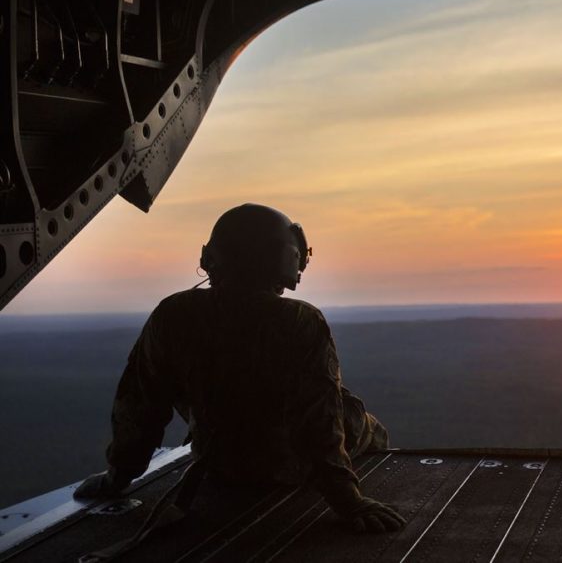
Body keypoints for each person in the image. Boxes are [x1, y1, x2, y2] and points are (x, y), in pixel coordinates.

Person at [73, 203, 404, 533]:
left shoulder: (173, 314)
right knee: (362, 420)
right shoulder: (300, 320)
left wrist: (117, 478)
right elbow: (319, 423)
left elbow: (139, 407)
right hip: (285, 468)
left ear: (212, 258)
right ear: (287, 259)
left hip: (218, 465)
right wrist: (350, 501)